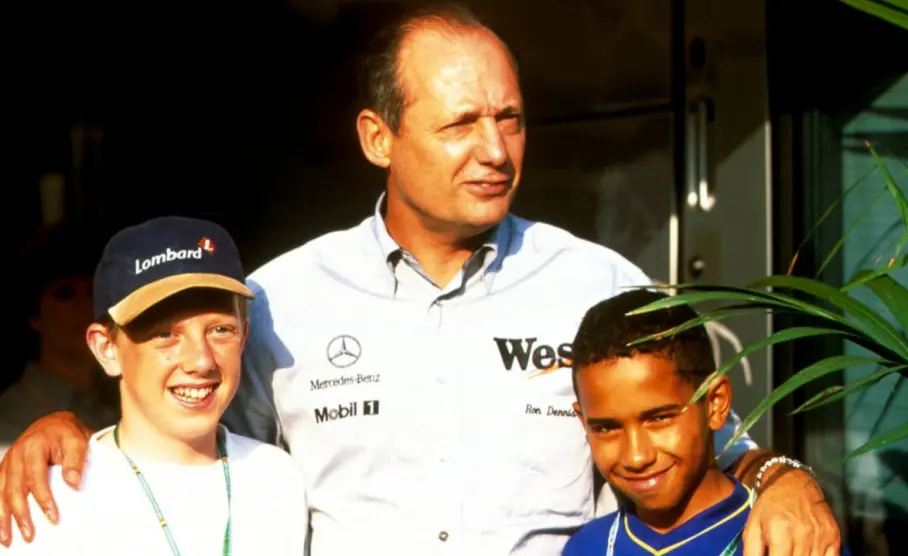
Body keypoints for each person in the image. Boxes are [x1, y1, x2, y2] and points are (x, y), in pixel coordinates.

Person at [0, 4, 840, 555]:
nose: (496, 150)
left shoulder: (599, 284)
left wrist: (785, 479)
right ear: (378, 138)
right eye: (461, 124)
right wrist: (68, 431)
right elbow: (191, 445)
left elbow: (711, 446)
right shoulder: (283, 299)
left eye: (510, 119)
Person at [0, 216, 309, 555]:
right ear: (106, 349)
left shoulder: (278, 478)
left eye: (221, 330)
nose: (201, 360)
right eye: (165, 334)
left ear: (245, 334)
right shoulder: (46, 496)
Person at [563, 290, 849, 556]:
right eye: (606, 428)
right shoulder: (586, 547)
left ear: (715, 403)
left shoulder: (789, 539)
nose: (636, 457)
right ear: (583, 422)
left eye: (659, 418)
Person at [0, 223, 117, 458]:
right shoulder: (9, 415)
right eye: (64, 294)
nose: (85, 305)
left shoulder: (129, 399)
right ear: (34, 315)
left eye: (92, 291)